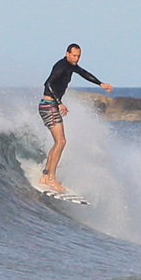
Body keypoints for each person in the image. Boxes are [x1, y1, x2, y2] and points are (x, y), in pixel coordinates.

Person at [39, 43, 112, 192]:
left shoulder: (71, 66)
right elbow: (48, 84)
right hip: (49, 105)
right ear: (67, 54)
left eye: (79, 56)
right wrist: (59, 103)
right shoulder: (61, 66)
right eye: (74, 55)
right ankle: (51, 179)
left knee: (58, 142)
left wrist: (100, 83)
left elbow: (84, 73)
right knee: (61, 141)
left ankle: (45, 175)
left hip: (49, 105)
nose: (77, 58)